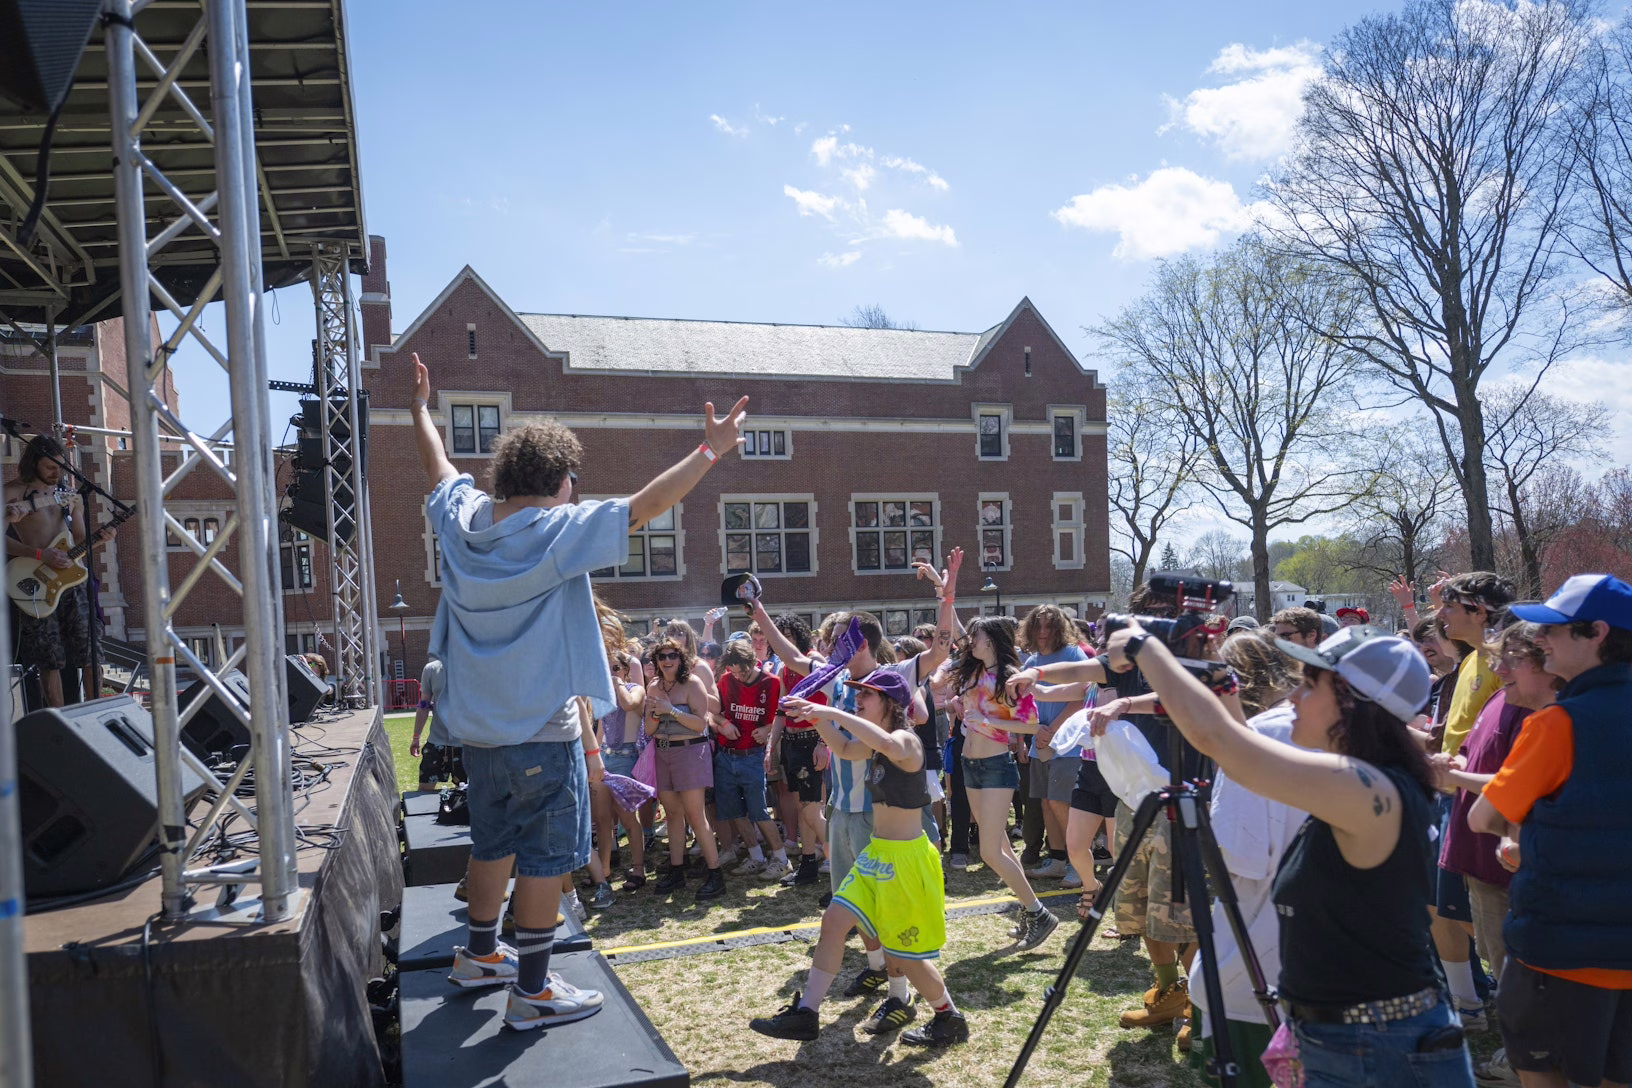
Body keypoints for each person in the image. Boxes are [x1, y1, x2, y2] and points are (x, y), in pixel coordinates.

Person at [414, 349, 748, 1032]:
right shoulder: (557, 532)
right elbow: (646, 506)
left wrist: (420, 410)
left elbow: (439, 467)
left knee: (490, 845)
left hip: (477, 734)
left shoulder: (461, 521)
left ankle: (480, 955)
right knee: (541, 859)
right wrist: (709, 453)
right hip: (541, 731)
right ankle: (533, 991)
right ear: (563, 481)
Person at [1100, 620, 1476, 1087]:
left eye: (1308, 685)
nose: (1293, 698)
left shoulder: (1367, 790)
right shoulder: (1369, 775)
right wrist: (1226, 691)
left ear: (1348, 704)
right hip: (1359, 1033)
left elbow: (1230, 748)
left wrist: (1142, 646)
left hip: (1378, 1045)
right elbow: (1250, 755)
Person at [1470, 574, 1632, 1088]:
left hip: (1559, 955)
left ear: (1597, 633)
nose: (1540, 641)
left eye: (1555, 631)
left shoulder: (1557, 724)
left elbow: (1484, 818)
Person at [749, 669, 968, 1047]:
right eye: (857, 695)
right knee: (834, 921)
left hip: (906, 860)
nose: (858, 700)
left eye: (866, 695)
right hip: (878, 855)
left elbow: (883, 740)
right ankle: (807, 1015)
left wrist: (833, 714)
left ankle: (948, 1016)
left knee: (907, 957)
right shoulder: (875, 742)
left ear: (890, 703)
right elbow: (847, 749)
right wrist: (817, 715)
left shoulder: (906, 741)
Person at [1187, 631, 1307, 1082]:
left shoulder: (1257, 739)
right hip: (1331, 966)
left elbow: (1239, 859)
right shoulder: (1338, 730)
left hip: (1255, 962)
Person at [952, 616, 1060, 951]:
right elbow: (957, 632)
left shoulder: (1011, 678)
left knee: (988, 852)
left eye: (978, 636)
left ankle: (1038, 912)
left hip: (997, 766)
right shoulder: (972, 672)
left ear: (993, 640)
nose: (972, 641)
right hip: (970, 765)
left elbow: (1031, 725)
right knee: (1001, 849)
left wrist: (988, 719)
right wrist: (946, 594)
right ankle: (1031, 912)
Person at [4, 434, 113, 707]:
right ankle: (60, 722)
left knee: (91, 651)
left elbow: (78, 538)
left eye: (61, 467)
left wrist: (97, 539)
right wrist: (40, 554)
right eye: (51, 467)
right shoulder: (13, 492)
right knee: (48, 656)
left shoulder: (69, 495)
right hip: (35, 579)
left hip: (73, 580)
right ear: (33, 463)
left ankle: (94, 713)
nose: (58, 472)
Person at [645, 635, 727, 900]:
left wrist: (671, 710)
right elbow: (648, 728)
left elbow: (700, 724)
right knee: (672, 815)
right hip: (663, 753)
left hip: (691, 752)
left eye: (672, 656)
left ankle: (715, 874)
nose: (667, 661)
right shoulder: (654, 687)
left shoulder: (692, 683)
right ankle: (677, 870)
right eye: (662, 656)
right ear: (656, 661)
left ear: (681, 659)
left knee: (695, 815)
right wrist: (657, 713)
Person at [1018, 605, 1091, 889]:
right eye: (1038, 626)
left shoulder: (1074, 654)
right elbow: (1023, 702)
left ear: (1060, 628)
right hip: (1041, 744)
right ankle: (1058, 860)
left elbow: (1083, 695)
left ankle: (1078, 864)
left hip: (1069, 745)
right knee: (1047, 804)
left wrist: (1055, 728)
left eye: (1049, 626)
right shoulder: (1032, 661)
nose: (1044, 632)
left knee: (1063, 803)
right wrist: (1030, 735)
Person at [714, 639, 791, 881]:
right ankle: (755, 856)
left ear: (752, 663)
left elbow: (785, 716)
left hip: (753, 756)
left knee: (759, 810)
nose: (738, 676)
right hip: (727, 755)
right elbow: (711, 712)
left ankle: (781, 858)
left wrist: (768, 729)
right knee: (735, 811)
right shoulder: (726, 680)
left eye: (743, 671)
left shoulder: (772, 683)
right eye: (733, 671)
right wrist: (723, 723)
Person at [411, 655, 464, 792]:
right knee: (424, 792)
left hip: (468, 745)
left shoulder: (476, 666)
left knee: (469, 794)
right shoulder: (431, 669)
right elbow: (424, 705)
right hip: (437, 742)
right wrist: (416, 737)